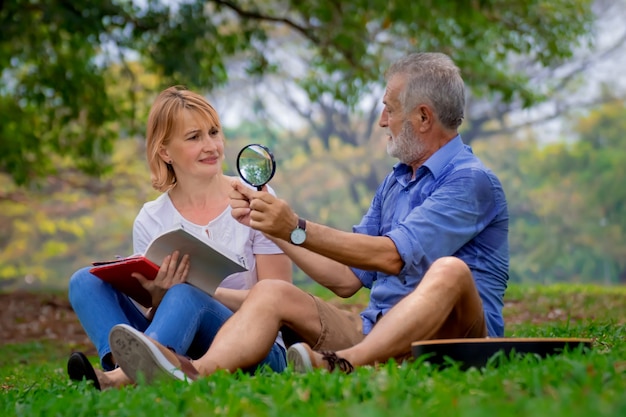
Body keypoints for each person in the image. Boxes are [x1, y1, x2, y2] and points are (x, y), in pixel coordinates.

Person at [107, 51, 509, 382]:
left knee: (451, 271)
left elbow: (391, 256)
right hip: (375, 331)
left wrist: (295, 225)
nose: (382, 120)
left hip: (455, 338)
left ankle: (349, 364)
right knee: (272, 292)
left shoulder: (471, 183)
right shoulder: (396, 182)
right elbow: (347, 279)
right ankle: (193, 372)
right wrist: (275, 229)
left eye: (389, 109)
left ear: (423, 117)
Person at [67, 86, 292, 389]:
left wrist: (203, 292)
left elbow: (283, 303)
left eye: (214, 132)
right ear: (165, 151)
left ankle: (119, 379)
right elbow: (163, 314)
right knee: (84, 281)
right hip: (180, 346)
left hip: (255, 347)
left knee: (186, 294)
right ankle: (129, 367)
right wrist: (159, 298)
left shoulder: (254, 199)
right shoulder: (151, 218)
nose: (211, 145)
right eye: (194, 137)